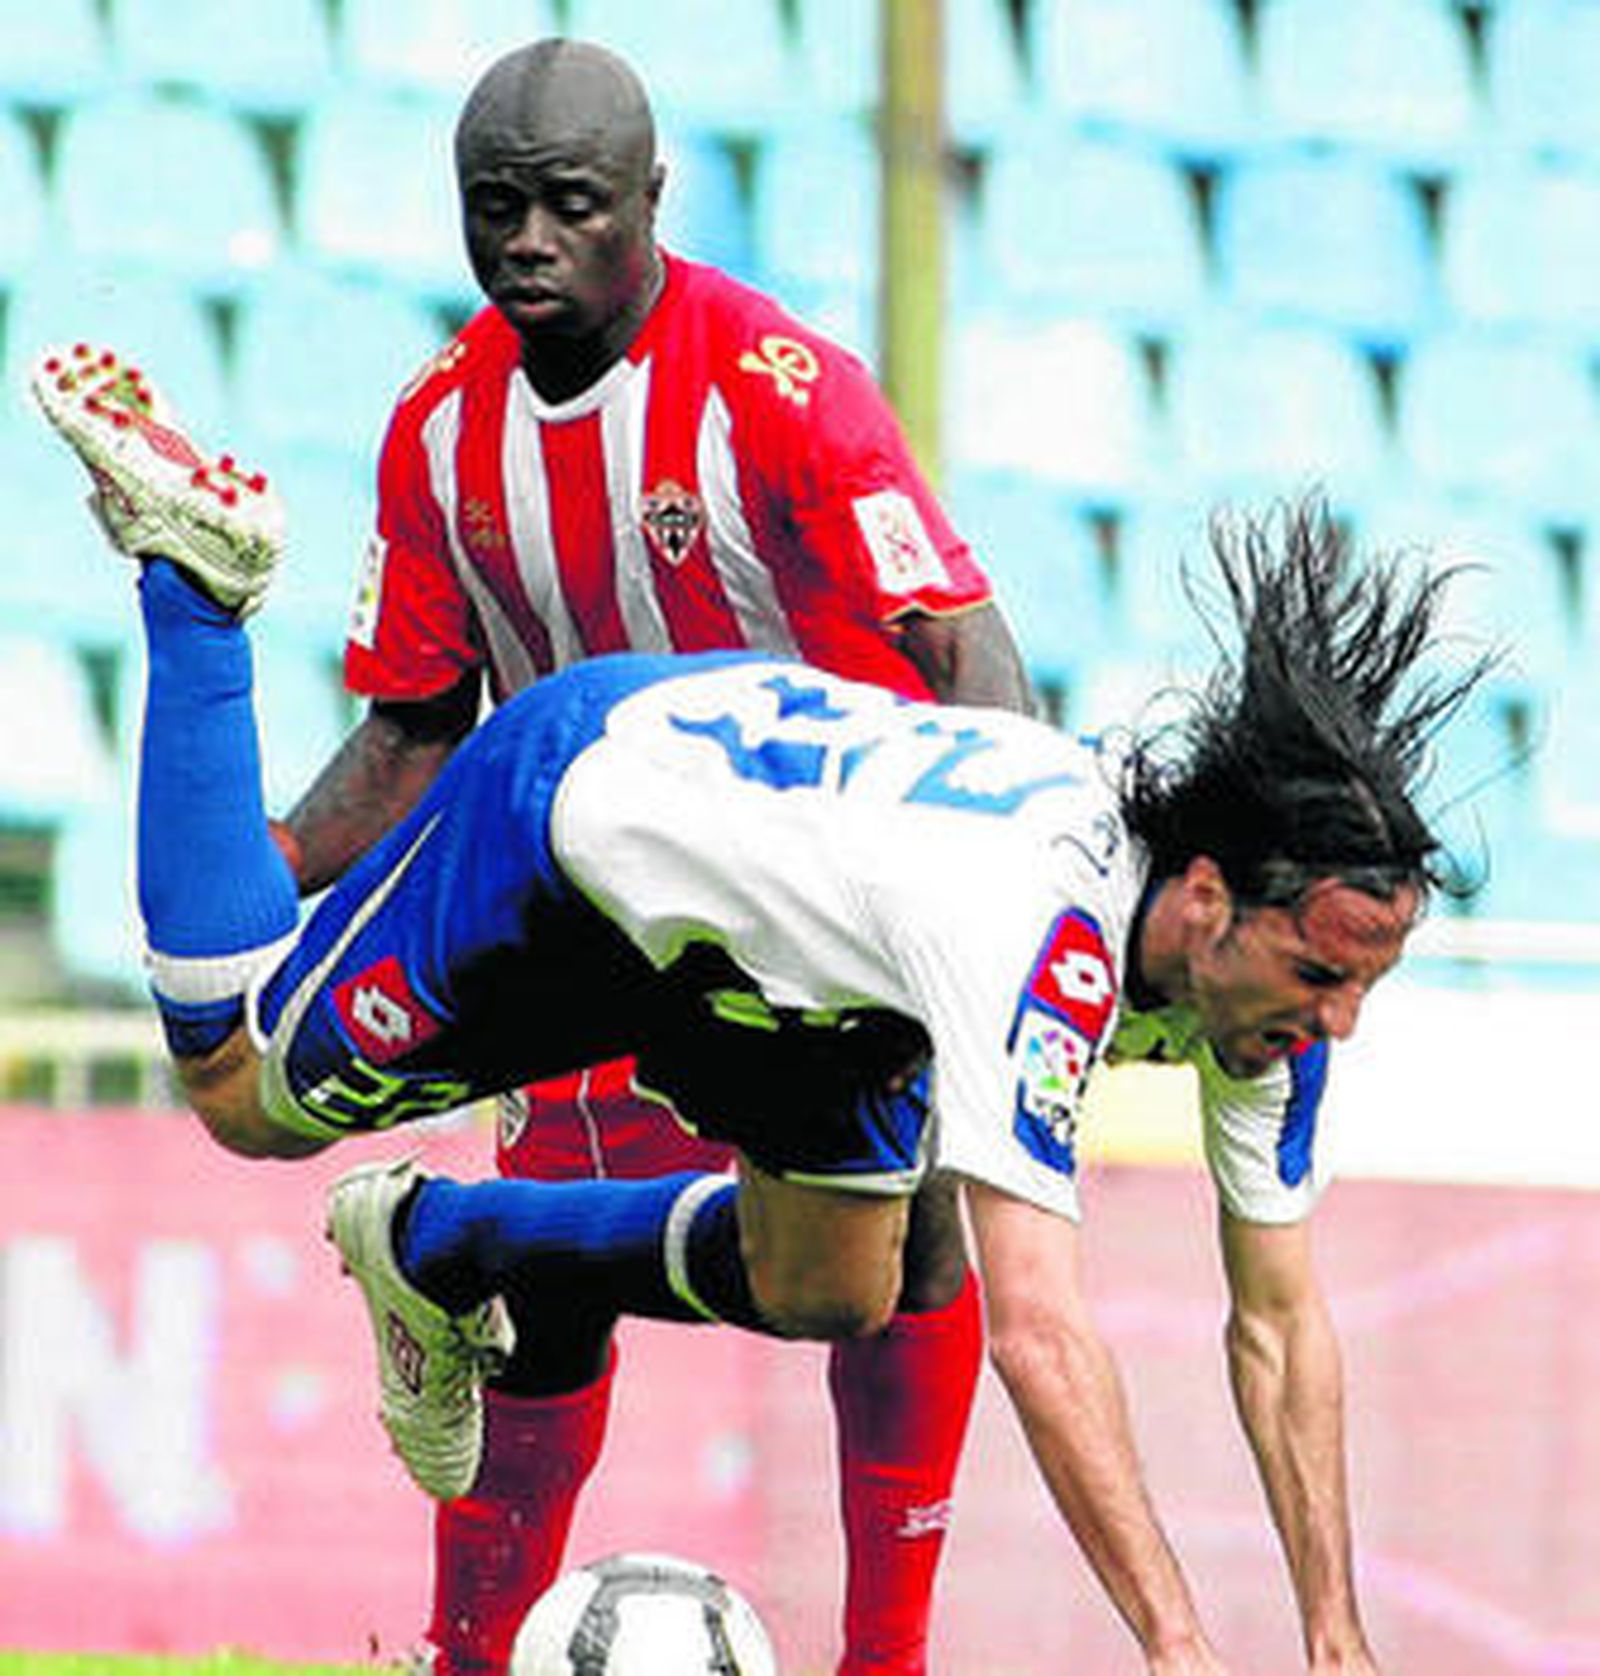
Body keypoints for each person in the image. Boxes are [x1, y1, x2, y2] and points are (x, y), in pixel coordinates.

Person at [30, 343, 1486, 1674]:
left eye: (1360, 984)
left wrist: (1334, 1641)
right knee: (236, 1087)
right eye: (1321, 978)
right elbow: (1044, 1332)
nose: (1338, 1023)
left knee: (830, 1285)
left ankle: (441, 1240)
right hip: (588, 833)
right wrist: (1178, 1645)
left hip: (814, 976)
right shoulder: (1049, 928)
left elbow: (1283, 1325)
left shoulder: (1274, 1000)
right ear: (1212, 898)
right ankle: (198, 593)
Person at [58, 38, 1035, 1676]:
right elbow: (412, 727)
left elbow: (970, 659)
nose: (527, 243)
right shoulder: (442, 428)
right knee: (539, 1291)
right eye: (493, 209)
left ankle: (888, 1660)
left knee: (890, 1256)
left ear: (651, 198)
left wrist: (967, 913)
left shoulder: (776, 390)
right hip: (585, 912)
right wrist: (280, 865)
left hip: (805, 925)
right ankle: (466, 1652)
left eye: (570, 208)